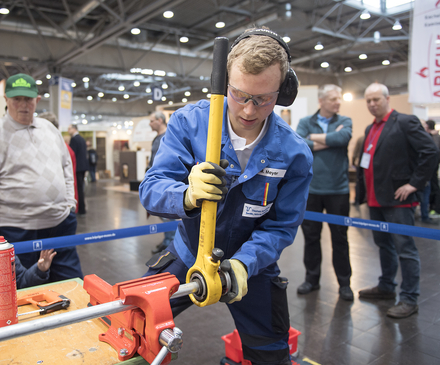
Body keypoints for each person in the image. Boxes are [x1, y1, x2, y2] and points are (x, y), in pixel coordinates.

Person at [139, 28, 313, 365]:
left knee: (272, 355)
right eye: (239, 95)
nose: (249, 110)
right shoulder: (189, 123)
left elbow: (281, 228)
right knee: (134, 327)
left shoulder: (293, 153)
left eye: (263, 99)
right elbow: (151, 189)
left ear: (283, 92)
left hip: (251, 267)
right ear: (224, 85)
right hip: (188, 252)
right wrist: (186, 195)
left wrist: (243, 265)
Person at [357, 83, 438, 318]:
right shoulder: (371, 128)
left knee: (405, 249)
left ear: (387, 99)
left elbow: (430, 152)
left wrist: (414, 184)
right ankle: (386, 286)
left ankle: (410, 298)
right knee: (384, 245)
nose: (372, 104)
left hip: (398, 200)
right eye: (368, 101)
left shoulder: (404, 122)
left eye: (376, 100)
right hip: (376, 199)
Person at [0, 73, 83, 282]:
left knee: (71, 282)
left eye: (27, 99)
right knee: (25, 291)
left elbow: (66, 164)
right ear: (6, 99)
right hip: (16, 229)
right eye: (16, 99)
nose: (23, 105)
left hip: (59, 223)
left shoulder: (49, 129)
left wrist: (70, 202)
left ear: (37, 100)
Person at [296, 84, 354, 301]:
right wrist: (329, 139)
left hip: (338, 190)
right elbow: (301, 145)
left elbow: (343, 139)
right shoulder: (305, 122)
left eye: (339, 98)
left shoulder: (344, 121)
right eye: (333, 99)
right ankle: (311, 279)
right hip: (311, 189)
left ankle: (345, 283)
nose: (337, 102)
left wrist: (315, 139)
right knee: (311, 237)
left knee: (340, 237)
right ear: (321, 101)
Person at [146, 111, 177, 254]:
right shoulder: (157, 138)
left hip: (166, 183)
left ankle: (170, 244)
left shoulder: (168, 137)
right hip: (156, 183)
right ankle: (168, 241)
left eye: (152, 120)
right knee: (162, 214)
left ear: (160, 120)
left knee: (167, 215)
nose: (150, 124)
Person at [39, 112, 79, 213]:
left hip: (59, 206)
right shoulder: (60, 147)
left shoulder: (61, 148)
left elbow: (68, 178)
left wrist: (70, 204)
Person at [68, 124, 88, 215]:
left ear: (74, 129)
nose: (68, 130)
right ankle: (82, 208)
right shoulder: (82, 139)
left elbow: (71, 154)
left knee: (78, 188)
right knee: (81, 188)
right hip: (83, 167)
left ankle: (80, 208)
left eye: (69, 128)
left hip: (77, 167)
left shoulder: (74, 139)